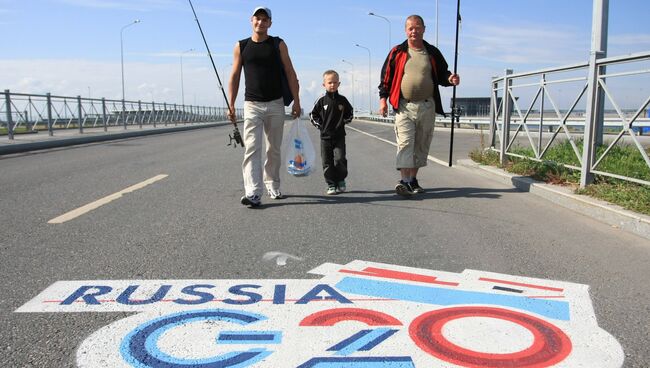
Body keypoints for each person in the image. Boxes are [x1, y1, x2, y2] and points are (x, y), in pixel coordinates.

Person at [378, 14, 460, 196]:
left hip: (427, 106)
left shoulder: (432, 52)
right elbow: (386, 77)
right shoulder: (397, 51)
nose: (413, 31)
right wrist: (383, 99)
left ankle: (412, 180)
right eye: (410, 28)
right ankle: (404, 181)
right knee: (405, 143)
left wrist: (450, 79)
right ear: (406, 30)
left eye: (417, 27)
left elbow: (442, 74)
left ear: (424, 29)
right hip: (403, 106)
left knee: (421, 145)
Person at [228, 6, 301, 207]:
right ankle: (253, 192)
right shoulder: (241, 46)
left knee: (273, 149)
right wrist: (231, 104)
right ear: (251, 20)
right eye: (257, 19)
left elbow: (290, 72)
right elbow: (234, 76)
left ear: (270, 23)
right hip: (252, 104)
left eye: (264, 19)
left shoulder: (278, 44)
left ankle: (273, 184)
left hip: (276, 103)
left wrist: (297, 101)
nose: (260, 22)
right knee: (251, 148)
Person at [309, 70, 354, 195]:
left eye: (335, 82)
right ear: (324, 84)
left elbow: (350, 113)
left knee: (340, 159)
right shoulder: (321, 100)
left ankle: (340, 180)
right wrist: (321, 126)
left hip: (339, 136)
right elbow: (313, 115)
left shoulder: (343, 100)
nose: (332, 85)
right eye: (330, 82)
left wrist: (345, 120)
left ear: (339, 84)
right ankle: (330, 184)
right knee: (327, 161)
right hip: (325, 137)